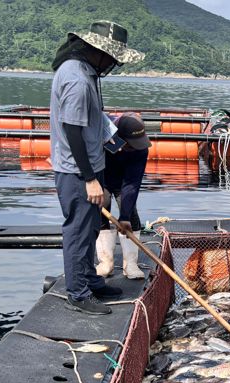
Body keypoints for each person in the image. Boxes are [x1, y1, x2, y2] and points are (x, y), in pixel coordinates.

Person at [50, 21, 144, 315]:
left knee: (90, 228)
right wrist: (90, 178)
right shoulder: (77, 79)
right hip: (78, 171)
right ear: (99, 51)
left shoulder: (86, 73)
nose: (114, 64)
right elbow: (72, 130)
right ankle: (78, 293)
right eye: (113, 58)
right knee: (78, 231)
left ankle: (90, 279)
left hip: (91, 166)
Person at [96, 113, 151, 279]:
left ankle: (131, 264)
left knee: (130, 215)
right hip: (102, 178)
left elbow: (132, 183)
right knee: (101, 208)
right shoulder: (100, 133)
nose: (133, 148)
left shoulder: (140, 150)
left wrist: (124, 216)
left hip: (124, 182)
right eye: (129, 145)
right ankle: (106, 262)